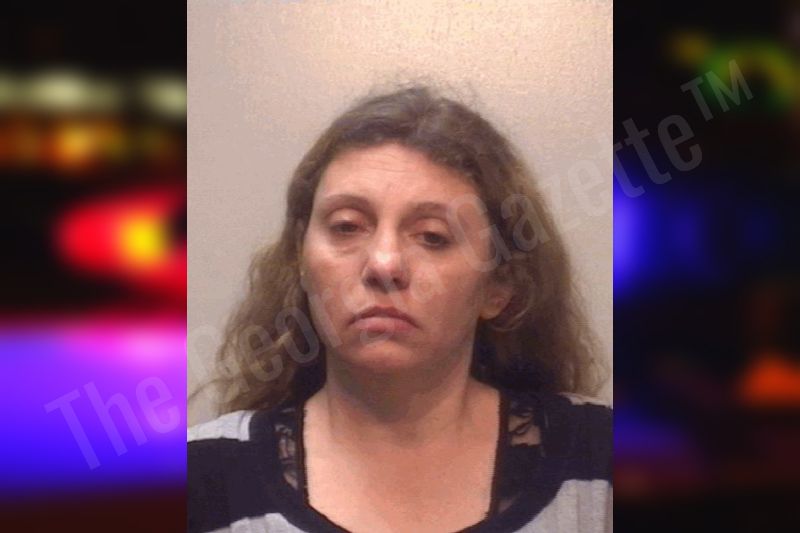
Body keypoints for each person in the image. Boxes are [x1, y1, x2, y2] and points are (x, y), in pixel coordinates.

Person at [188, 85, 611, 533]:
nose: (384, 264)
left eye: (432, 236)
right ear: (300, 261)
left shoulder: (603, 460)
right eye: (347, 226)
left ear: (498, 286)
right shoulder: (198, 478)